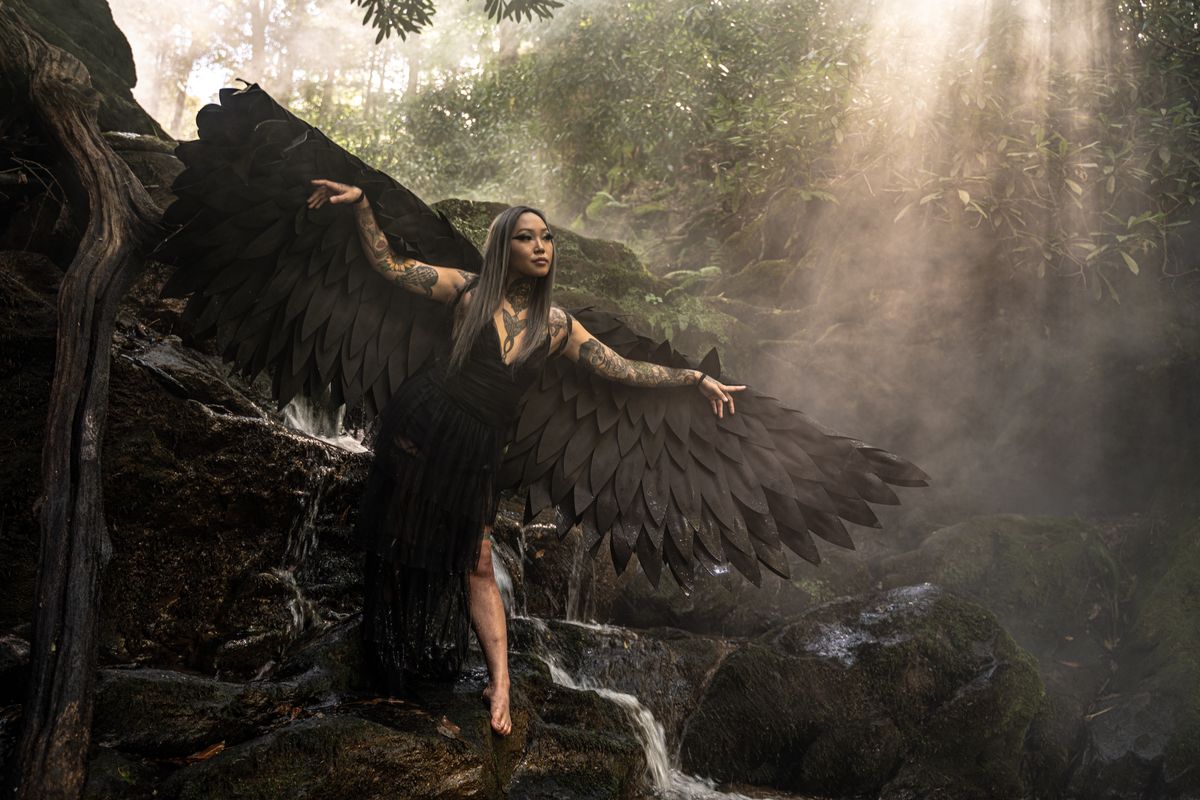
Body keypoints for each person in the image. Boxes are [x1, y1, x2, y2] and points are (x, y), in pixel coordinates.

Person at [306, 178, 747, 735]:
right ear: (503, 248)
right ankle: (388, 662)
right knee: (398, 540)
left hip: (480, 448)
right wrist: (364, 206)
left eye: (546, 238)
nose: (541, 247)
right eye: (526, 238)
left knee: (478, 564)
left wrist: (696, 377)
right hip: (423, 419)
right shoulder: (467, 292)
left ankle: (501, 683)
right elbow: (389, 266)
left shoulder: (558, 326)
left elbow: (625, 370)